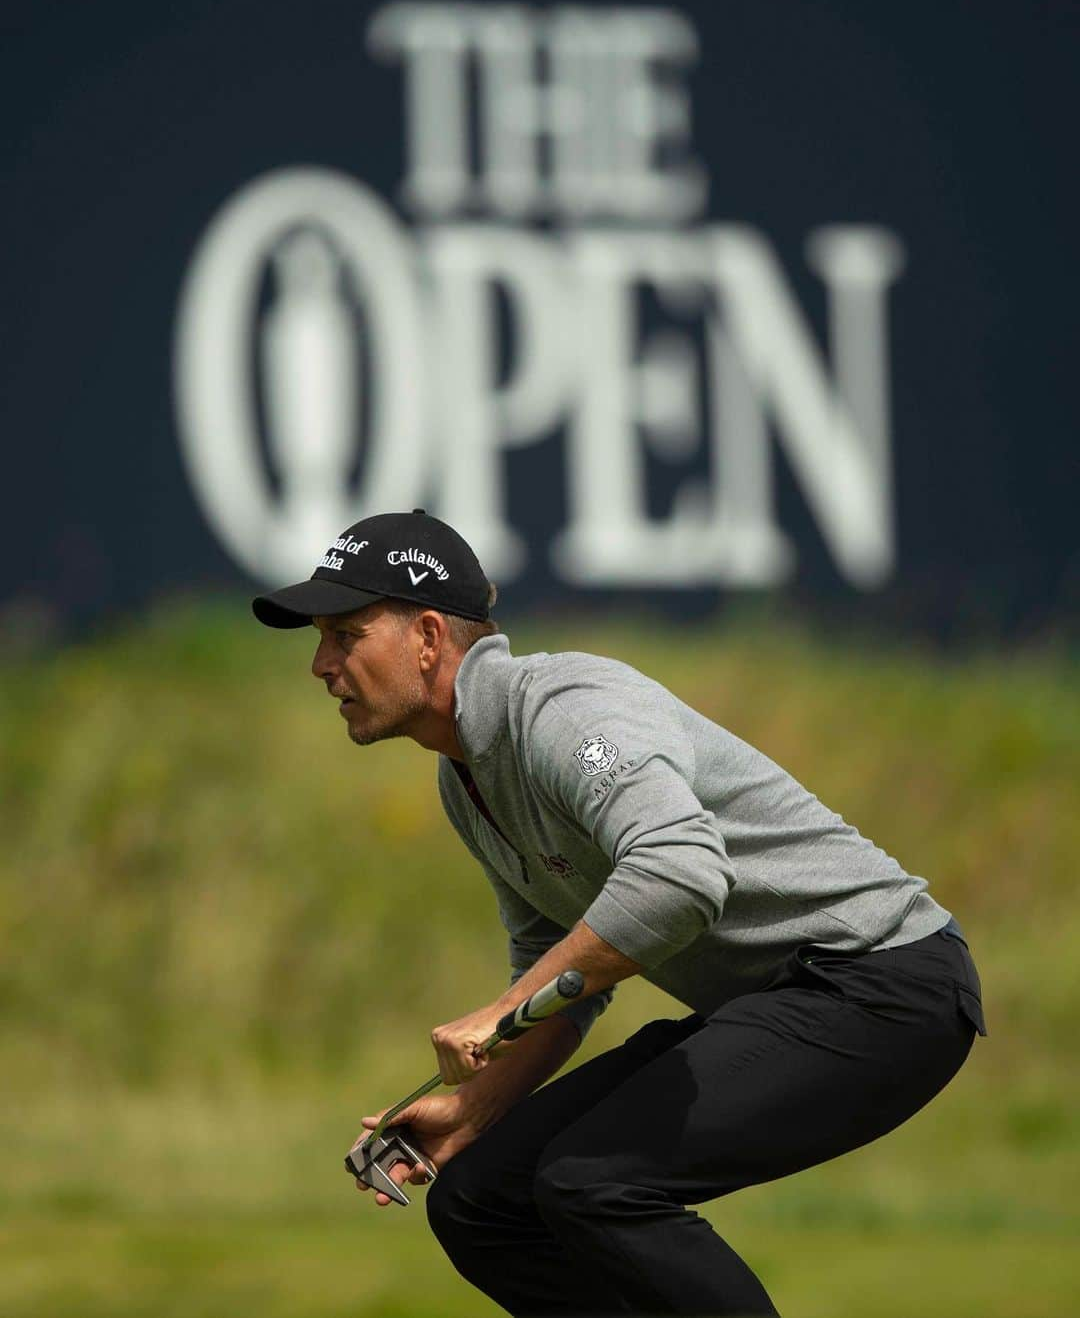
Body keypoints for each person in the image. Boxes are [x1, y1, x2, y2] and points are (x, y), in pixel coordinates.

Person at [253, 508, 987, 1318]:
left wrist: (498, 1014)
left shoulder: (567, 716)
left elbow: (680, 874)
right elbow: (567, 983)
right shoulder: (464, 778)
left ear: (428, 637)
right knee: (479, 1200)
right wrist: (473, 1106)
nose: (321, 664)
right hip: (782, 1001)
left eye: (345, 635)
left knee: (595, 1183)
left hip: (885, 987)